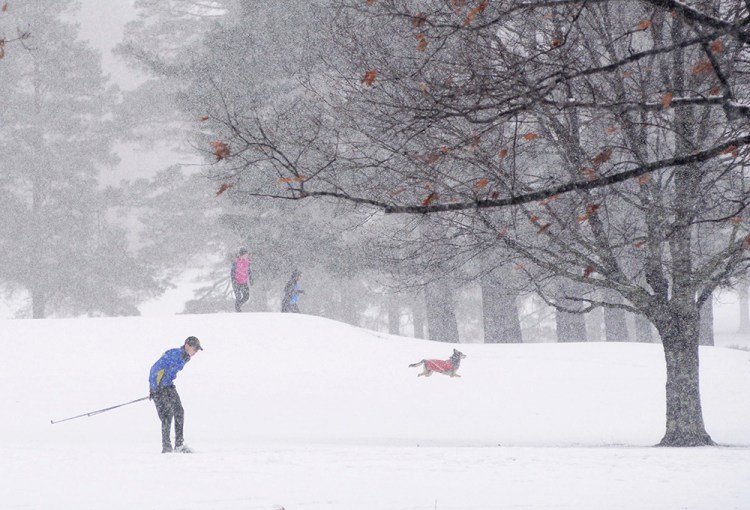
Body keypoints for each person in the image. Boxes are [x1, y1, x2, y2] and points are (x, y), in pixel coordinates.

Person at [148, 336, 203, 453]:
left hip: (168, 385)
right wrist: (153, 388)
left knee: (179, 411)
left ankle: (179, 445)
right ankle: (166, 447)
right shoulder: (176, 354)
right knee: (167, 414)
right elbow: (154, 369)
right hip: (159, 387)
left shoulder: (184, 357)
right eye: (195, 349)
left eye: (197, 350)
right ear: (187, 346)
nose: (196, 352)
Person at [231, 247, 252, 312]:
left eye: (247, 254)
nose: (247, 256)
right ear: (242, 255)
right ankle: (238, 310)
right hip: (236, 282)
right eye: (246, 254)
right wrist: (233, 280)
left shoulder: (248, 263)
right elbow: (232, 272)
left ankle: (238, 305)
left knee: (246, 296)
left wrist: (251, 279)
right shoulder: (236, 263)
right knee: (238, 296)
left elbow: (249, 271)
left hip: (244, 282)